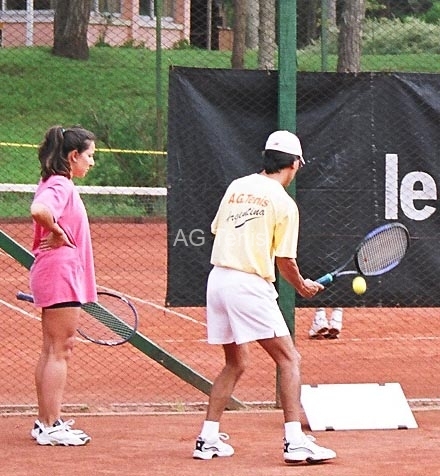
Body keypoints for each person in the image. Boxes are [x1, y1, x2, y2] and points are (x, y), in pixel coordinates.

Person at [192, 130, 337, 464]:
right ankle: (295, 442)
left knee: (236, 362)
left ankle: (207, 439)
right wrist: (301, 286)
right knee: (289, 359)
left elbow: (219, 229)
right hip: (247, 284)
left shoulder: (236, 186)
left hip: (218, 281)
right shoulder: (284, 203)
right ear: (295, 163)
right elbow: (285, 261)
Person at [28, 125, 97, 446]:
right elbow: (39, 210)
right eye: (89, 156)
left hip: (56, 272)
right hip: (60, 273)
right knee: (61, 348)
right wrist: (56, 231)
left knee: (51, 349)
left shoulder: (54, 182)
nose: (91, 162)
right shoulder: (60, 184)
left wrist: (55, 229)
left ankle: (46, 422)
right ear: (73, 156)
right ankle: (51, 425)